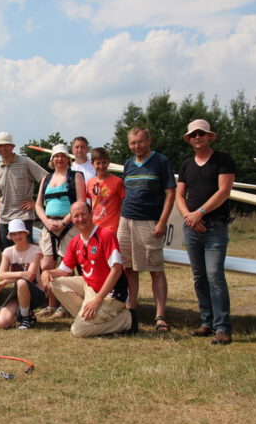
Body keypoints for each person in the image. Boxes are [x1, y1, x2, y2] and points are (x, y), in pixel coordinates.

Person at [176, 119, 235, 345]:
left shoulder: (223, 160)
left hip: (215, 226)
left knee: (215, 276)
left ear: (210, 136)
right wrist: (189, 218)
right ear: (189, 139)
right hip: (192, 227)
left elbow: (224, 191)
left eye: (201, 133)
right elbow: (180, 196)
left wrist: (199, 213)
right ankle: (206, 322)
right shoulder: (186, 165)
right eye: (193, 135)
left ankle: (223, 327)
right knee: (199, 277)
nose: (197, 137)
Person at [41, 202, 133, 337]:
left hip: (111, 294)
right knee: (55, 283)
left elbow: (117, 270)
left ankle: (126, 319)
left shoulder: (105, 235)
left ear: (91, 214)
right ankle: (89, 315)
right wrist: (47, 272)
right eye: (76, 216)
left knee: (78, 331)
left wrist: (98, 300)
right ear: (71, 219)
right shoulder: (75, 241)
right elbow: (64, 271)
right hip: (89, 287)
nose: (80, 219)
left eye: (83, 214)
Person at [118, 127, 176, 332]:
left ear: (149, 141)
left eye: (140, 142)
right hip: (126, 221)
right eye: (133, 143)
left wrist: (161, 222)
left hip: (149, 222)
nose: (137, 146)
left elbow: (170, 194)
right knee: (128, 268)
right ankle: (130, 310)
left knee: (155, 270)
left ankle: (160, 316)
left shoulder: (161, 161)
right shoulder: (128, 163)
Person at [34, 143, 84, 319]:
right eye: (56, 156)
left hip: (68, 226)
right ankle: (51, 305)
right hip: (49, 226)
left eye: (62, 156)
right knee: (46, 266)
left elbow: (81, 202)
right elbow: (38, 205)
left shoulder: (76, 176)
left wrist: (64, 221)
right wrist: (46, 221)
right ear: (52, 159)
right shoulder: (46, 179)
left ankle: (65, 305)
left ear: (68, 158)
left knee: (66, 267)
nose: (59, 159)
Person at [0, 131, 48, 251]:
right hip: (4, 219)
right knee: (7, 254)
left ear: (12, 146)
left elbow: (46, 179)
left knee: (26, 254)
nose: (3, 148)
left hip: (23, 216)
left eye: (6, 145)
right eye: (0, 146)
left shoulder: (25, 162)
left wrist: (36, 203)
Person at [0, 219, 45, 330]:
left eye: (20, 232)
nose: (17, 236)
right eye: (14, 234)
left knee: (22, 282)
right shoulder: (7, 252)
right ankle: (27, 314)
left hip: (36, 292)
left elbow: (30, 276)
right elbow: (1, 274)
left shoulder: (36, 250)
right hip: (18, 292)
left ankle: (25, 318)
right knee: (1, 323)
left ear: (26, 233)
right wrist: (7, 280)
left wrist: (8, 279)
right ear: (10, 236)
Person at [86, 147, 125, 234]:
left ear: (108, 162)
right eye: (98, 163)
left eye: (104, 163)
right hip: (94, 227)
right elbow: (92, 203)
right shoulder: (90, 183)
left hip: (112, 228)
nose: (101, 166)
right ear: (92, 163)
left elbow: (124, 203)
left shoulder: (117, 181)